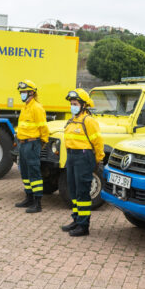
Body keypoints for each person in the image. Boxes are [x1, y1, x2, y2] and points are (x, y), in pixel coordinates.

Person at [60, 89, 104, 237]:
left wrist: (98, 159)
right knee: (73, 190)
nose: (73, 106)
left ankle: (84, 226)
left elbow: (98, 142)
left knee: (82, 192)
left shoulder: (88, 121)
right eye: (72, 104)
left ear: (84, 105)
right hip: (72, 157)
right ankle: (76, 220)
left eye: (75, 103)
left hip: (84, 157)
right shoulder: (72, 120)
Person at [14, 80, 49, 213]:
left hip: (32, 143)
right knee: (25, 172)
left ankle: (37, 203)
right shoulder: (25, 107)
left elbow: (43, 127)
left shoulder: (37, 108)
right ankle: (28, 197)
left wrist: (42, 142)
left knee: (34, 172)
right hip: (23, 144)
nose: (22, 94)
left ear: (31, 93)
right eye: (21, 92)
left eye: (24, 92)